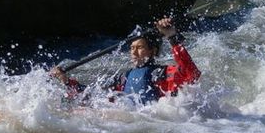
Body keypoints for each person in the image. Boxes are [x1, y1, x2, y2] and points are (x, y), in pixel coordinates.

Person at [49, 17, 200, 105]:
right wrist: (66, 81)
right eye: (132, 48)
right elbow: (90, 93)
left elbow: (192, 74)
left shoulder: (161, 73)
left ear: (152, 51)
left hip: (151, 123)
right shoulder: (123, 77)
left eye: (139, 47)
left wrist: (172, 37)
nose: (133, 52)